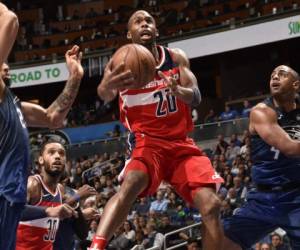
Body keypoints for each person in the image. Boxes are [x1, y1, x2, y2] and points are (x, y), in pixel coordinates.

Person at [90, 10, 224, 250]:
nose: (144, 25)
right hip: (146, 141)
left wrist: (178, 91)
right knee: (131, 183)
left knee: (212, 205)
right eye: (138, 22)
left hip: (180, 143)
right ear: (129, 33)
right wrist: (106, 85)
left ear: (156, 30)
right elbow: (104, 94)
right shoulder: (121, 63)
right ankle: (96, 246)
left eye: (148, 21)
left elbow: (196, 96)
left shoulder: (176, 58)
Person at [0, 3, 84, 249]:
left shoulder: (12, 103)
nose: (6, 64)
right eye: (3, 60)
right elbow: (10, 20)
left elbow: (52, 118)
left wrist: (75, 77)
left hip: (9, 197)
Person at [222, 65, 300, 250]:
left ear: (296, 84)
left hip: (297, 196)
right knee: (222, 241)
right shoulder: (262, 111)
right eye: (273, 74)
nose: (275, 77)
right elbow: (289, 148)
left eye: (282, 74)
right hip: (265, 198)